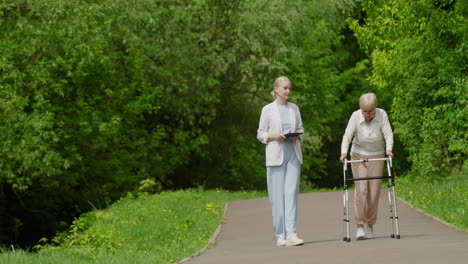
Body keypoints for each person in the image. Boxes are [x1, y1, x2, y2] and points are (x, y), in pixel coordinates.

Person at [257, 76, 305, 247]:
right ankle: (280, 235)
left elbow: (300, 129)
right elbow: (260, 133)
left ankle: (292, 233)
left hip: (293, 153)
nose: (288, 91)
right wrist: (274, 136)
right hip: (276, 155)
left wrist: (298, 136)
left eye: (289, 88)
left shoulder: (294, 108)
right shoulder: (267, 109)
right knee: (277, 197)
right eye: (285, 88)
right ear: (276, 89)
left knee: (291, 194)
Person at [339, 93, 394, 240]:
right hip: (358, 155)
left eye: (370, 111)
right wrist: (343, 152)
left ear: (375, 108)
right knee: (361, 189)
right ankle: (359, 226)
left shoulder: (382, 115)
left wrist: (389, 149)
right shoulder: (355, 116)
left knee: (374, 193)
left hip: (377, 155)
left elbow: (388, 133)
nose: (367, 114)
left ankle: (370, 225)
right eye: (365, 111)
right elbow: (347, 135)